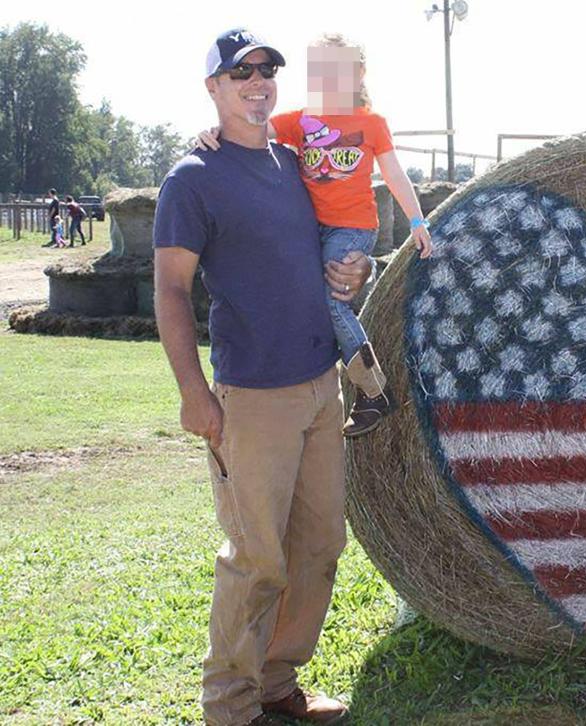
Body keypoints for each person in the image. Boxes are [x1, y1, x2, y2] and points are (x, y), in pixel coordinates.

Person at [153, 28, 372, 726]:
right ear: (214, 88)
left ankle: (277, 681)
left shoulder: (294, 161)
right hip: (253, 398)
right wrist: (192, 390)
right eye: (239, 73)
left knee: (319, 545)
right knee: (256, 558)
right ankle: (229, 705)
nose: (257, 82)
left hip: (319, 383)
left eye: (266, 71)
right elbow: (171, 291)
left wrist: (353, 270)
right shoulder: (193, 179)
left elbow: (330, 241)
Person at [197, 33, 430, 438]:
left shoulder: (371, 124)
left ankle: (373, 391)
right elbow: (252, 128)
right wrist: (212, 133)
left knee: (334, 303)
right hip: (312, 228)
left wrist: (417, 221)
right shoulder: (300, 120)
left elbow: (394, 174)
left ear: (359, 75)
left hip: (353, 226)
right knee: (312, 300)